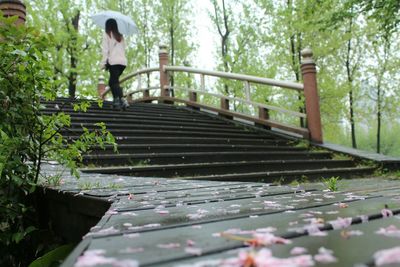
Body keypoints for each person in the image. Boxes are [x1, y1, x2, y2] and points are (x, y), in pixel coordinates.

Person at [101, 18, 129, 110]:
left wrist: (103, 63)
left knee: (113, 82)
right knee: (113, 81)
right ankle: (117, 100)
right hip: (123, 63)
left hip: (114, 62)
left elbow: (105, 50)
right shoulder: (120, 36)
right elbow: (124, 48)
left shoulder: (107, 34)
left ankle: (121, 100)